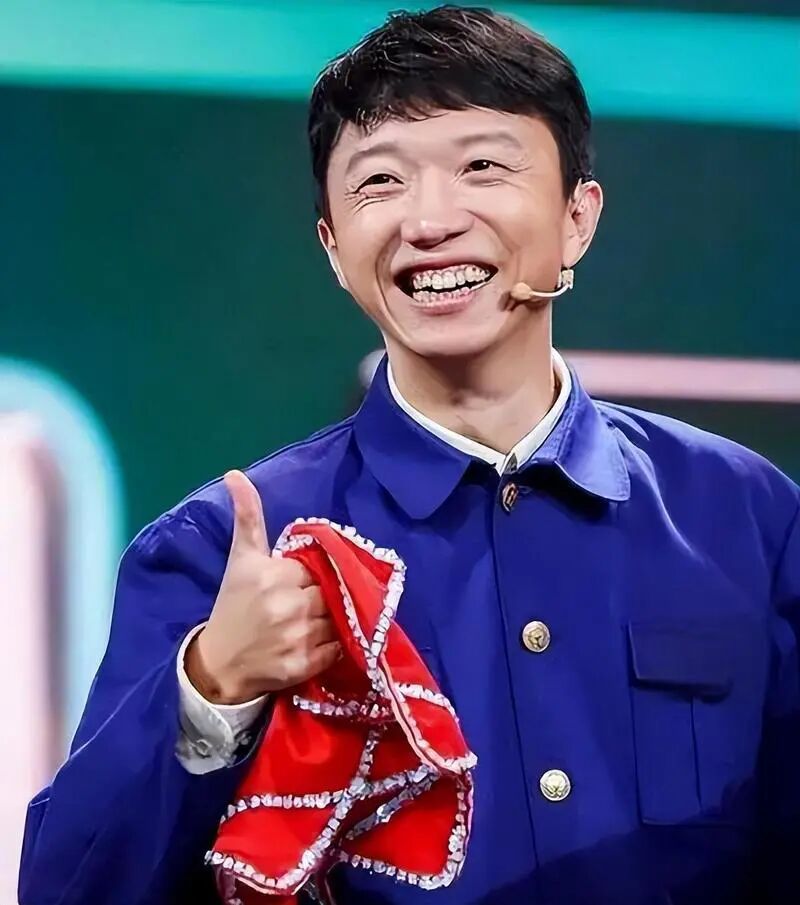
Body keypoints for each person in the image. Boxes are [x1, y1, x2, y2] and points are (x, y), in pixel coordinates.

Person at [18, 6, 799, 904]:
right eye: (380, 182)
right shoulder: (223, 548)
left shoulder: (746, 515)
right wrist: (212, 688)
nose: (430, 220)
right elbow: (67, 889)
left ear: (577, 217)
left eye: (482, 167)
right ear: (333, 248)